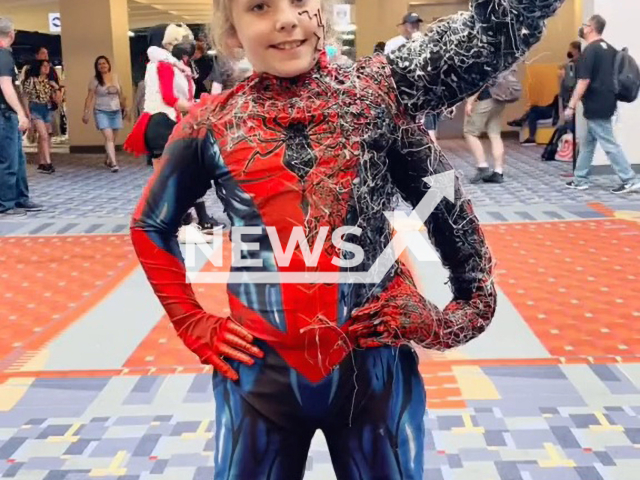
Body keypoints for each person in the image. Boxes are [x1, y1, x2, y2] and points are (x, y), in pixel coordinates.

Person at [129, 1, 562, 478]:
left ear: (323, 13)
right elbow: (151, 224)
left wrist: (452, 318)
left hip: (375, 369)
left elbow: (445, 202)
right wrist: (192, 322)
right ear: (231, 33)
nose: (286, 18)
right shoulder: (210, 124)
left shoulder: (373, 98)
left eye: (299, 2)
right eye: (259, 6)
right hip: (257, 376)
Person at [124, 23, 224, 240]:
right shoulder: (163, 65)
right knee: (173, 177)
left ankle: (182, 222)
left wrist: (195, 104)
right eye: (182, 40)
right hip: (161, 123)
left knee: (179, 175)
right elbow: (170, 98)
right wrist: (199, 106)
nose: (187, 45)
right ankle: (176, 225)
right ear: (170, 44)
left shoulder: (174, 65)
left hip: (169, 122)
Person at [565, 14, 640, 193]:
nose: (582, 29)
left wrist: (571, 105)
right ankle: (580, 178)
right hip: (607, 101)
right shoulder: (611, 49)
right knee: (588, 142)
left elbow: (584, 80)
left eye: (584, 25)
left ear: (591, 28)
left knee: (608, 143)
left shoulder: (590, 51)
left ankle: (629, 178)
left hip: (596, 103)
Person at [0, 17, 43, 217]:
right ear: (11, 34)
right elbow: (6, 86)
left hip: (7, 115)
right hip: (4, 114)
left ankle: (20, 197)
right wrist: (20, 112)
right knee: (9, 160)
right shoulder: (3, 56)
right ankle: (6, 202)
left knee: (17, 158)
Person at [82, 55, 128, 172]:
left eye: (104, 63)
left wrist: (125, 108)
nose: (102, 65)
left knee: (113, 138)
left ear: (108, 65)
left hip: (116, 110)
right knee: (109, 137)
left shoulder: (115, 77)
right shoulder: (95, 80)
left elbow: (120, 94)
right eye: (99, 64)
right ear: (97, 67)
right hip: (101, 111)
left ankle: (108, 159)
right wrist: (86, 112)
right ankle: (114, 163)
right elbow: (89, 97)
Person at [22, 59, 62, 173]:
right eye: (44, 66)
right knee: (44, 135)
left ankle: (43, 162)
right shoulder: (32, 80)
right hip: (35, 108)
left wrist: (56, 88)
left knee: (46, 136)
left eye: (47, 66)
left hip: (46, 109)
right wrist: (27, 112)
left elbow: (57, 100)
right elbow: (25, 96)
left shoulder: (49, 82)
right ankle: (48, 163)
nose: (46, 68)